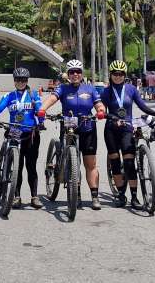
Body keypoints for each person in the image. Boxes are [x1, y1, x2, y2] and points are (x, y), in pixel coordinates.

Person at [39, 59, 107, 210]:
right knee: (72, 162)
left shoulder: (90, 89)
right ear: (68, 75)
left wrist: (101, 111)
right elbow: (51, 99)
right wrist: (42, 110)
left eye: (78, 71)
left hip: (87, 128)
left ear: (82, 74)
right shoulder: (63, 88)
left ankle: (95, 196)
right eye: (72, 72)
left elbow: (98, 103)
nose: (75, 74)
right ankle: (76, 194)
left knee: (91, 164)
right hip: (69, 127)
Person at [102, 60, 155, 207]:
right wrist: (112, 117)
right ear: (111, 75)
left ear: (125, 75)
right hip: (111, 129)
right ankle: (121, 194)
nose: (118, 76)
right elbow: (101, 111)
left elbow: (143, 106)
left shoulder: (131, 89)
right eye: (115, 74)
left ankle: (134, 197)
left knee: (129, 163)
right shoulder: (106, 92)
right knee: (115, 163)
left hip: (127, 129)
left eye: (121, 74)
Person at [0, 67, 44, 209]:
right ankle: (17, 196)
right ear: (14, 81)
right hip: (14, 133)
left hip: (30, 134)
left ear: (27, 81)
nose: (20, 82)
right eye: (18, 80)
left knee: (31, 166)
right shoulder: (10, 96)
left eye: (23, 80)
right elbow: (0, 106)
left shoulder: (34, 95)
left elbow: (39, 109)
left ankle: (34, 196)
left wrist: (41, 120)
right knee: (16, 168)